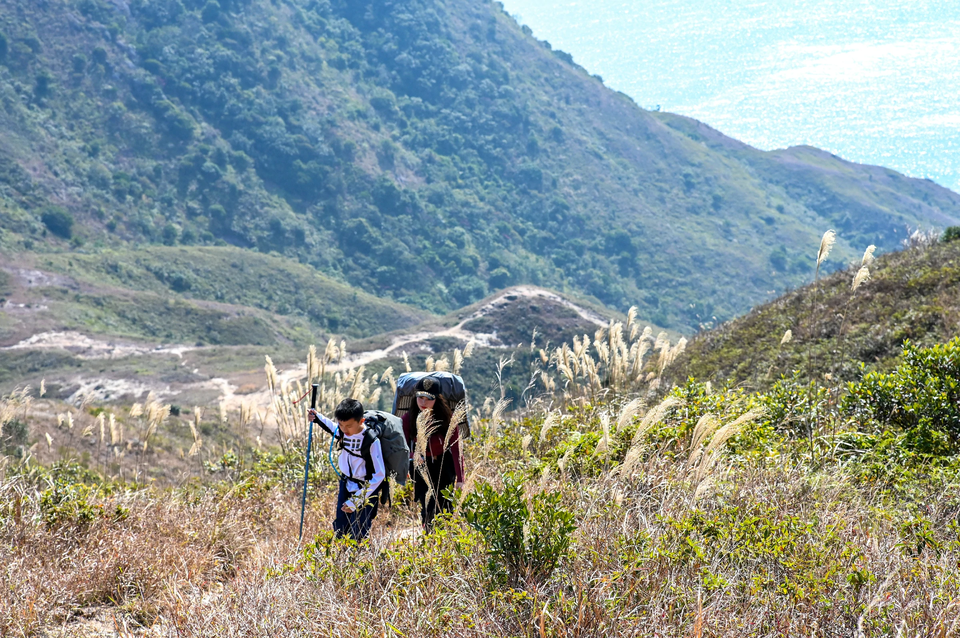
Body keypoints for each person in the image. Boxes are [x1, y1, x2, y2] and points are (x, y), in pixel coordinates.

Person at [307, 398, 386, 541]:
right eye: (341, 425)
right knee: (341, 527)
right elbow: (332, 427)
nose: (344, 430)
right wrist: (317, 417)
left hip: (365, 489)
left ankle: (358, 554)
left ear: (361, 421)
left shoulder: (371, 440)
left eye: (349, 426)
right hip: (346, 484)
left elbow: (379, 475)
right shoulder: (343, 432)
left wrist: (356, 501)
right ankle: (341, 553)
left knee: (359, 530)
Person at [401, 377, 465, 530]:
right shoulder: (409, 418)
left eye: (428, 398)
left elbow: (456, 449)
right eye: (420, 397)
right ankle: (430, 536)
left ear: (437, 399)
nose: (423, 402)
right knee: (427, 506)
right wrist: (413, 456)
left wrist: (460, 479)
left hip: (444, 464)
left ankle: (445, 536)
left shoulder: (447, 418)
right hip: (422, 466)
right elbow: (402, 446)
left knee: (445, 505)